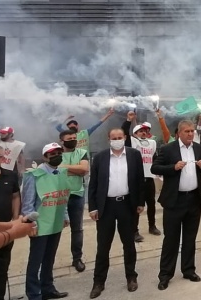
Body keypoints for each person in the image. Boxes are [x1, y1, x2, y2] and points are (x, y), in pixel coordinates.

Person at [88, 128, 145, 298]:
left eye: (120, 137)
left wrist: (140, 202)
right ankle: (98, 282)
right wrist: (93, 207)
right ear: (109, 139)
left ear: (125, 138)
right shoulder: (100, 158)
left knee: (129, 244)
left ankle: (131, 277)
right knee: (103, 246)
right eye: (114, 138)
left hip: (127, 205)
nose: (117, 140)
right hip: (106, 206)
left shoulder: (134, 155)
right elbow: (93, 184)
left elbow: (139, 180)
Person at [151, 120, 201, 291]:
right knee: (171, 239)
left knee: (190, 238)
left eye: (192, 131)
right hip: (174, 201)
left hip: (193, 200)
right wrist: (173, 167)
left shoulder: (198, 148)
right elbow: (155, 168)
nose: (191, 134)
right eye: (187, 131)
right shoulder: (168, 149)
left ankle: (188, 270)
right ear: (179, 133)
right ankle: (165, 275)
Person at [22, 143, 72, 300]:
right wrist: (32, 224)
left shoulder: (61, 173)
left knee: (49, 258)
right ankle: (34, 293)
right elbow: (28, 203)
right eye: (52, 153)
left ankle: (47, 288)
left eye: (59, 152)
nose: (57, 155)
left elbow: (63, 197)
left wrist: (65, 216)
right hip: (40, 225)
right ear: (45, 156)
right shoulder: (34, 175)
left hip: (55, 222)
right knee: (36, 260)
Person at [121, 111, 161, 242]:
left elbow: (153, 157)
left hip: (149, 177)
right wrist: (128, 120)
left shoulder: (152, 143)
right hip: (137, 179)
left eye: (145, 131)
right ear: (135, 134)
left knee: (151, 204)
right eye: (140, 131)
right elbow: (124, 132)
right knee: (137, 205)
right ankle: (134, 230)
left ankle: (152, 226)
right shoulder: (132, 141)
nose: (143, 133)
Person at [59, 130, 90, 273]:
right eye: (69, 138)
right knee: (55, 229)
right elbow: (52, 171)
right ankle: (48, 259)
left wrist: (63, 168)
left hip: (77, 195)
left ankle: (77, 258)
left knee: (77, 229)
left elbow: (84, 169)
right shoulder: (56, 153)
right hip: (59, 196)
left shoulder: (82, 152)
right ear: (62, 141)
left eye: (74, 138)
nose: (72, 140)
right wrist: (75, 170)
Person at [0, 144, 20, 300]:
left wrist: (15, 219)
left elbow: (16, 196)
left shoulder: (11, 175)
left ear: (2, 159)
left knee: (2, 266)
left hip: (6, 229)